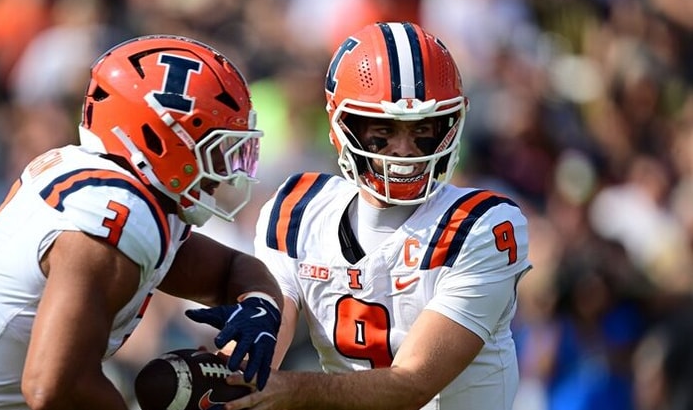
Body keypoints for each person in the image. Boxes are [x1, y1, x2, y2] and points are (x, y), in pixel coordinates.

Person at [0, 34, 283, 410]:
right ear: (162, 139)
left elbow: (233, 270)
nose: (225, 171)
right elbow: (53, 387)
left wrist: (261, 307)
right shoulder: (112, 213)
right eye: (215, 149)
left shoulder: (128, 195)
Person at [225, 21, 532, 410]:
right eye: (382, 129)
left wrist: (289, 392)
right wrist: (222, 377)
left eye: (424, 128)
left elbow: (412, 384)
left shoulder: (482, 226)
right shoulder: (297, 211)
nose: (404, 149)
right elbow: (261, 348)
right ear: (341, 125)